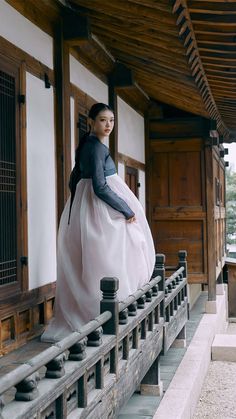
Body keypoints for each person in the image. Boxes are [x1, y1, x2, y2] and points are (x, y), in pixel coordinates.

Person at [41, 103, 155, 342]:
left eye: (111, 121)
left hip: (89, 206)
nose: (108, 125)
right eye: (103, 120)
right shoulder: (94, 148)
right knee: (111, 255)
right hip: (99, 210)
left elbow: (75, 179)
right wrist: (126, 210)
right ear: (92, 121)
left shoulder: (89, 144)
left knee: (101, 257)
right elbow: (100, 187)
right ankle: (105, 314)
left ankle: (105, 312)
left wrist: (74, 206)